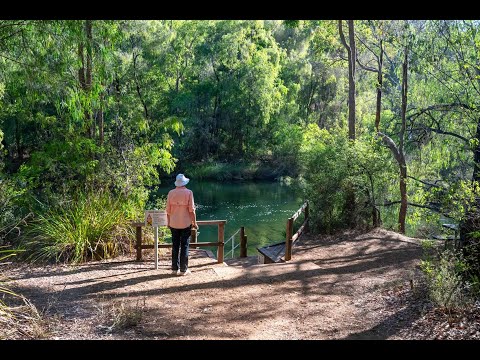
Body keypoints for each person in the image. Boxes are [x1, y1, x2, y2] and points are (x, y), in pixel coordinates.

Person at [166, 173, 198, 276]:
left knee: (175, 246)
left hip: (173, 223)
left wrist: (168, 222)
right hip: (185, 223)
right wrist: (194, 222)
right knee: (184, 246)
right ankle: (183, 270)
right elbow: (191, 210)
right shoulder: (189, 192)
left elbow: (168, 210)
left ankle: (174, 269)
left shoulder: (171, 193)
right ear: (184, 183)